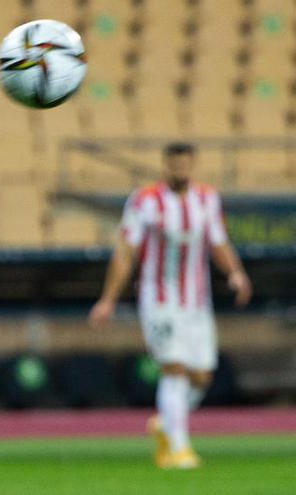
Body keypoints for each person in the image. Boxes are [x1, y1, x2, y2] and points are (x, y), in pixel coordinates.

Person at [88, 142, 251, 469]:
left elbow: (218, 241)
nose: (180, 170)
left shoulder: (207, 198)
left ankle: (166, 423)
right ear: (166, 165)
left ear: (192, 165)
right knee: (174, 367)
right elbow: (125, 251)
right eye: (174, 165)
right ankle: (177, 448)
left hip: (196, 302)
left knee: (202, 376)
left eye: (185, 165)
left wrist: (235, 273)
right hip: (158, 298)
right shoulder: (145, 200)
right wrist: (108, 299)